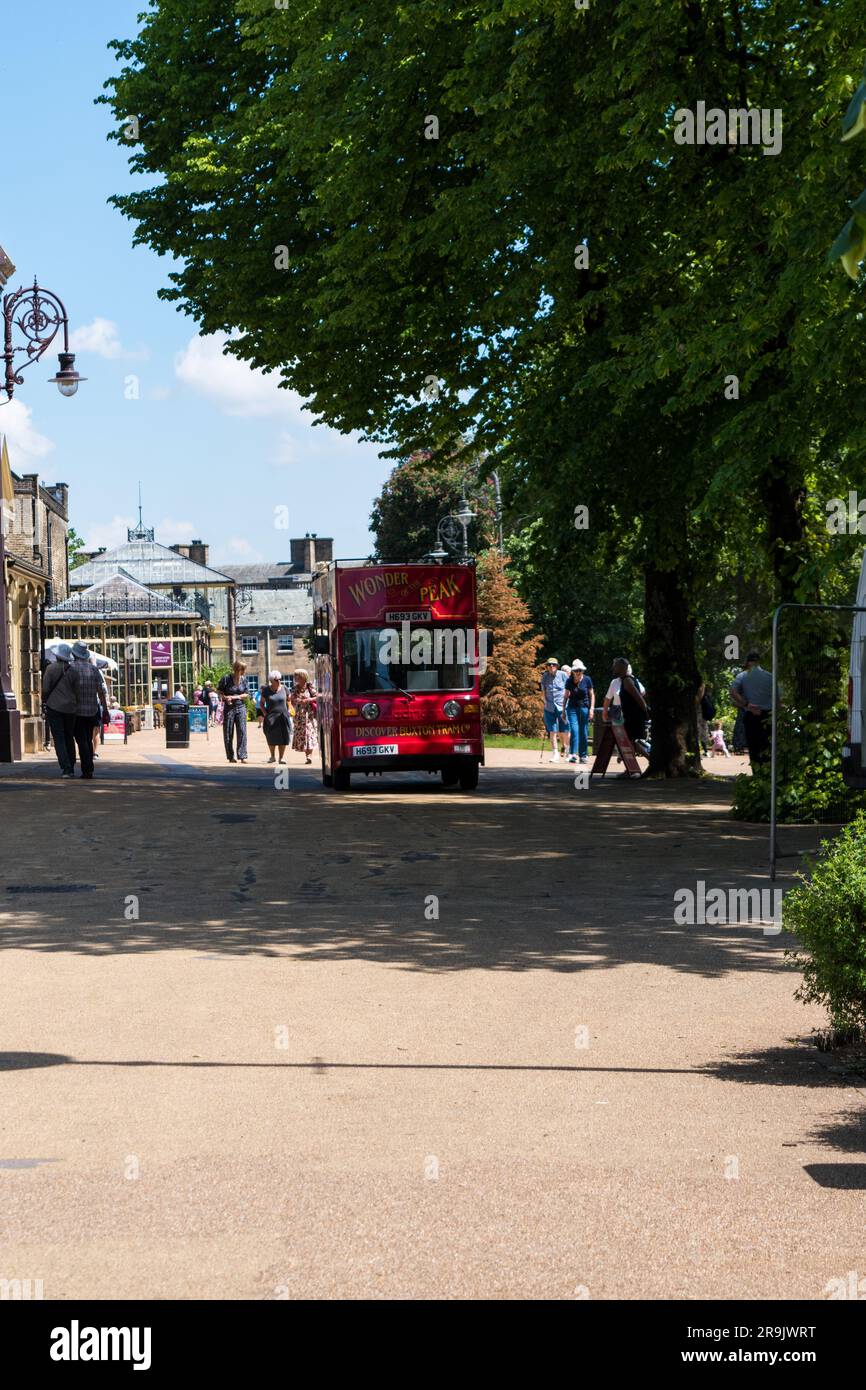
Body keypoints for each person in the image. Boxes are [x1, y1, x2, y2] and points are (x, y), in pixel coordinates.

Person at [67, 640, 108, 779]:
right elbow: (101, 691)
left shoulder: (71, 669)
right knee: (88, 739)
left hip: (76, 711)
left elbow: (67, 690)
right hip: (92, 710)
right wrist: (105, 709)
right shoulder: (94, 669)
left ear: (74, 654)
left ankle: (87, 768)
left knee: (81, 740)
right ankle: (89, 766)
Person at [729, 651, 774, 767]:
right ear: (759, 662)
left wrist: (746, 704)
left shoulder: (742, 676)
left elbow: (733, 692)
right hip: (768, 716)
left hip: (751, 716)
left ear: (748, 663)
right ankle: (767, 773)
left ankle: (756, 774)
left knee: (753, 747)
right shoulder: (770, 676)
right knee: (767, 746)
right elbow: (778, 700)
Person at [42, 642, 78, 778]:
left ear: (57, 656)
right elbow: (77, 691)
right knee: (69, 737)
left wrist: (44, 700)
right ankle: (72, 765)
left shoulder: (50, 669)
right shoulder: (73, 671)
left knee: (59, 738)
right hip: (71, 708)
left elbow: (45, 688)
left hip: (54, 707)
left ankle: (66, 767)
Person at [603, 657, 649, 754]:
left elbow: (639, 698)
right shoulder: (624, 680)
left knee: (632, 742)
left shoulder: (628, 681)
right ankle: (633, 766)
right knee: (629, 742)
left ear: (622, 668)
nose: (613, 669)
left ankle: (650, 757)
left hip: (634, 717)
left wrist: (646, 712)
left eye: (615, 667)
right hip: (630, 716)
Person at [562, 658, 594, 764]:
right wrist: (563, 711)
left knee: (583, 731)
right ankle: (573, 754)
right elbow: (566, 696)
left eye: (580, 670)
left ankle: (583, 755)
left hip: (584, 707)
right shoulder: (569, 681)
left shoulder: (587, 679)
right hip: (572, 708)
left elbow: (591, 695)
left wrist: (592, 709)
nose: (578, 672)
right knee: (575, 730)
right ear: (573, 671)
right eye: (576, 670)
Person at [218, 661, 249, 763]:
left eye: (244, 669)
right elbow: (220, 693)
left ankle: (242, 756)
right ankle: (231, 756)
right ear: (236, 669)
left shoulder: (244, 679)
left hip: (241, 707)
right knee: (228, 732)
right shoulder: (226, 679)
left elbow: (246, 694)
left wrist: (236, 696)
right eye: (242, 669)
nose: (244, 671)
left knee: (242, 731)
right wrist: (226, 698)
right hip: (229, 708)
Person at [260, 670, 292, 763]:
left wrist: (289, 708)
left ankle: (281, 758)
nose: (279, 681)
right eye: (276, 679)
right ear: (271, 680)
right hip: (271, 717)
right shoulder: (266, 690)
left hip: (283, 716)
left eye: (279, 679)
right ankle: (272, 756)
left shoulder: (284, 688)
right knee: (271, 737)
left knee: (284, 737)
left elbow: (289, 700)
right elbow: (261, 704)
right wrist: (265, 714)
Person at [540, 657, 568, 762]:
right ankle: (555, 753)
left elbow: (568, 690)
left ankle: (567, 750)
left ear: (557, 666)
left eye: (554, 665)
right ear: (547, 666)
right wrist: (545, 702)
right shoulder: (545, 676)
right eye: (549, 665)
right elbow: (543, 690)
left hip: (562, 706)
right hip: (549, 707)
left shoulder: (563, 675)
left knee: (565, 730)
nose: (551, 666)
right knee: (552, 731)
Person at [291, 667, 318, 764]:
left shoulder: (310, 687)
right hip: (299, 715)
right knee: (302, 735)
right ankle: (307, 755)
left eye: (296, 676)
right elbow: (292, 699)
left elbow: (317, 697)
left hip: (309, 714)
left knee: (309, 734)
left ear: (302, 677)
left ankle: (309, 755)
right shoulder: (295, 688)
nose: (295, 678)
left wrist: (307, 699)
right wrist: (296, 700)